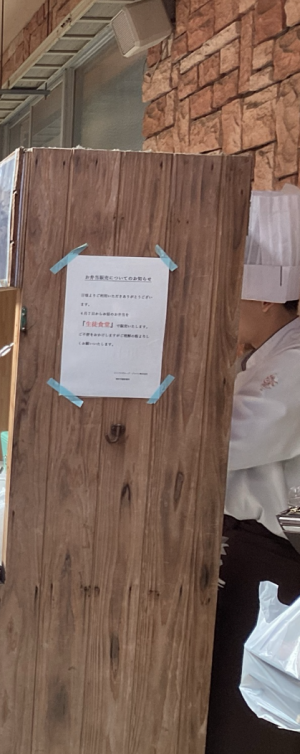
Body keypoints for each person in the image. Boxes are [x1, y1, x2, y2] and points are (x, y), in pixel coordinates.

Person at [207, 187, 300, 754]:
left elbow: (223, 443)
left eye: (232, 290)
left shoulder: (293, 364)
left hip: (278, 554)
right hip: (247, 545)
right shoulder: (262, 355)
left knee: (250, 713)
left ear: (266, 298)